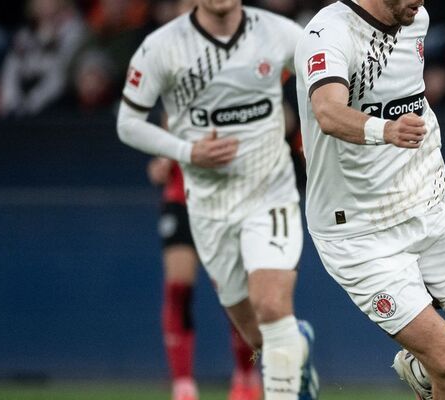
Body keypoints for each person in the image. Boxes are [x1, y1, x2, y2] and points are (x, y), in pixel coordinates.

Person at [294, 1, 445, 399]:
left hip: (427, 208)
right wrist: (386, 131)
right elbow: (327, 112)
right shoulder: (329, 34)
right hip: (359, 233)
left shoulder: (416, 19)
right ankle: (433, 367)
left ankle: (419, 369)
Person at [115, 0, 318, 398]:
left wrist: (313, 137)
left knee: (272, 305)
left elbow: (325, 80)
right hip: (207, 206)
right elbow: (127, 123)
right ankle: (300, 348)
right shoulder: (162, 47)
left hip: (270, 193)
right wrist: (186, 151)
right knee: (261, 338)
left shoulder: (280, 33)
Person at [148, 158, 261, 400]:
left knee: (234, 292)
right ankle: (183, 386)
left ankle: (245, 376)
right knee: (178, 289)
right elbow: (162, 133)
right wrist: (161, 158)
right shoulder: (173, 118)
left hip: (225, 204)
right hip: (181, 201)